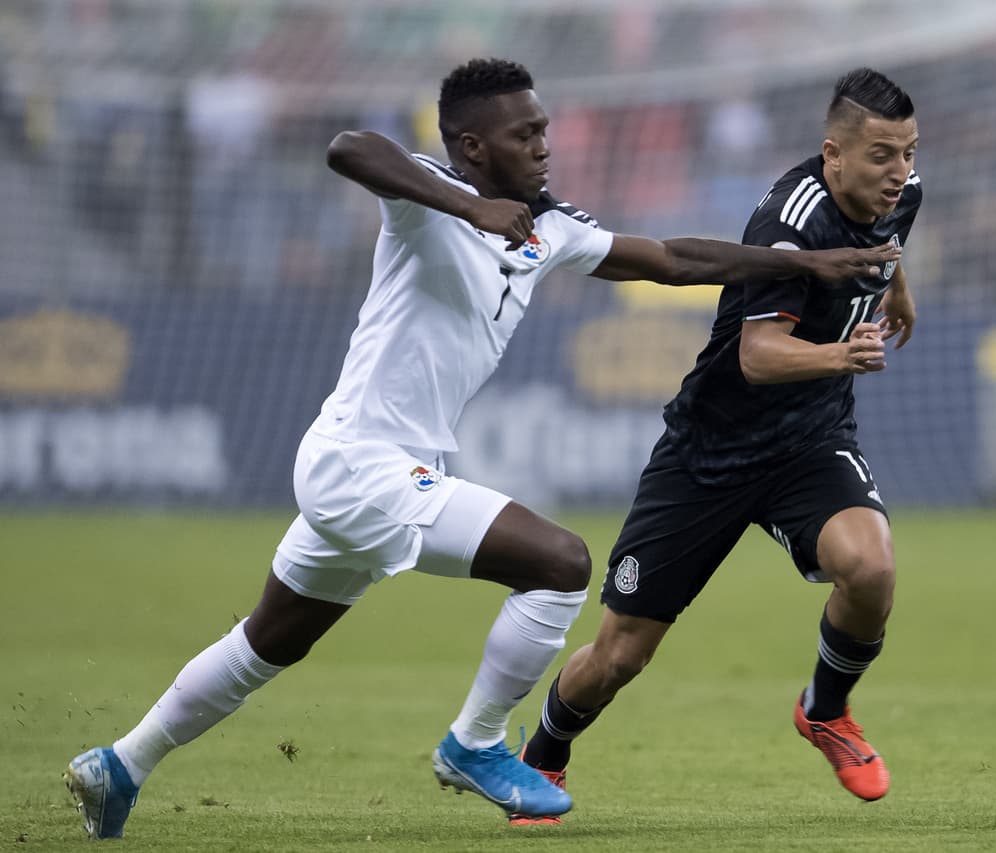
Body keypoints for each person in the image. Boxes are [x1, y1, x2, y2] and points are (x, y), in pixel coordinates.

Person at [62, 58, 900, 839]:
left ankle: (119, 764)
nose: (544, 146)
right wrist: (467, 206)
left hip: (378, 471)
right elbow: (347, 147)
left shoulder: (550, 228)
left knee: (264, 643)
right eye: (525, 135)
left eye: (544, 130)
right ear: (472, 147)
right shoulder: (428, 198)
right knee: (562, 563)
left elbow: (675, 257)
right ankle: (476, 742)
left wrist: (813, 263)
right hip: (361, 464)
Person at [514, 67, 922, 823]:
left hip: (809, 441)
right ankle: (541, 756)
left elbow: (890, 240)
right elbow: (757, 357)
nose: (899, 172)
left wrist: (897, 288)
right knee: (620, 655)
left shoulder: (903, 194)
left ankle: (825, 710)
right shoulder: (789, 222)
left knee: (871, 565)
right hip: (710, 454)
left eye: (907, 152)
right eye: (881, 157)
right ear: (833, 155)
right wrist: (844, 355)